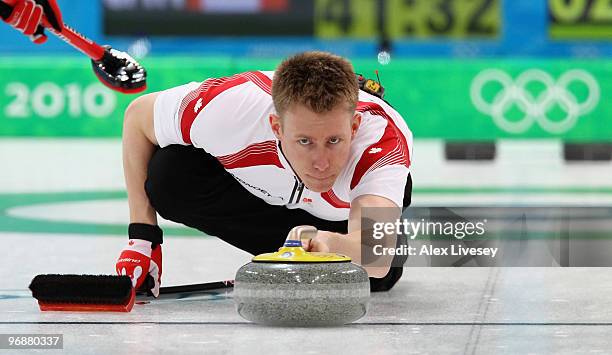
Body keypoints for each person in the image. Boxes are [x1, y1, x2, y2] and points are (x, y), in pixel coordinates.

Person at [115, 51, 413, 297]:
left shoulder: (381, 141)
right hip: (264, 201)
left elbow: (376, 254)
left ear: (354, 127)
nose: (321, 162)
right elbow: (138, 117)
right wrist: (143, 240)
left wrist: (331, 245)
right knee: (170, 175)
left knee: (376, 275)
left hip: (343, 218)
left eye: (334, 141)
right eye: (305, 141)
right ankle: (294, 253)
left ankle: (320, 246)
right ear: (277, 127)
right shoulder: (230, 109)